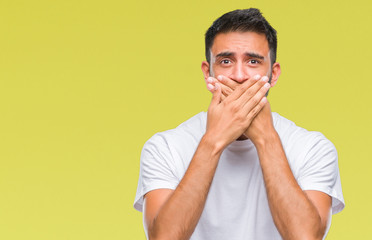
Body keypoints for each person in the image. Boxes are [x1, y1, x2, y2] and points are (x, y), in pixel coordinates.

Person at [134, 8, 344, 240]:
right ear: (208, 73)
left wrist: (266, 138)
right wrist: (213, 140)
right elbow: (164, 238)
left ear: (273, 75)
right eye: (226, 61)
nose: (240, 75)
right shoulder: (165, 147)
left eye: (253, 61)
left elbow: (305, 237)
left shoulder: (313, 148)